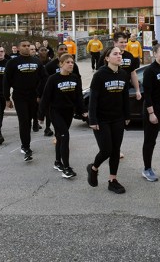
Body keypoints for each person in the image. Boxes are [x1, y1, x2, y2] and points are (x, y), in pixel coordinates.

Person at [86, 46, 130, 194]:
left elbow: (125, 97)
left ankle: (113, 180)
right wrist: (92, 119)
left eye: (120, 54)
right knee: (106, 150)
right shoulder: (100, 75)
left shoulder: (124, 74)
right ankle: (93, 168)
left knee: (116, 151)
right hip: (101, 119)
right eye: (115, 54)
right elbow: (93, 99)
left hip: (117, 118)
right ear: (106, 58)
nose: (119, 56)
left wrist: (127, 115)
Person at [38, 54, 87, 179]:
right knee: (65, 136)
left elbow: (78, 97)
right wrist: (41, 115)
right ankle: (66, 168)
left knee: (60, 137)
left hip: (68, 112)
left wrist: (83, 111)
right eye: (68, 62)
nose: (71, 64)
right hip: (56, 112)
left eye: (72, 62)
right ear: (61, 64)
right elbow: (45, 98)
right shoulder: (53, 79)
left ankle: (57, 162)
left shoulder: (75, 78)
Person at [3, 39, 47, 161]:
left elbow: (44, 78)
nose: (27, 48)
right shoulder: (12, 62)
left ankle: (30, 137)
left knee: (33, 119)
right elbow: (6, 81)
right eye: (24, 46)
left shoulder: (36, 61)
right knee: (24, 121)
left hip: (33, 95)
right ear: (18, 48)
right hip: (19, 95)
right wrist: (6, 98)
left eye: (28, 46)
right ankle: (26, 146)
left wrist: (40, 93)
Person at [141, 43, 160, 182]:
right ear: (155, 54)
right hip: (153, 109)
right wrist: (151, 113)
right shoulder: (150, 71)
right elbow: (147, 94)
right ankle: (147, 169)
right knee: (150, 140)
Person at [44, 43, 81, 137]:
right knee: (53, 116)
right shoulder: (50, 65)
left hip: (68, 100)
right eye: (61, 49)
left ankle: (59, 137)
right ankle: (48, 128)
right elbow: (44, 80)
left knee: (62, 132)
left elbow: (77, 78)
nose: (64, 50)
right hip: (54, 99)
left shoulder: (73, 65)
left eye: (65, 49)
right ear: (57, 51)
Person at [99, 32, 141, 101]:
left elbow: (133, 74)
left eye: (125, 42)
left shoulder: (129, 56)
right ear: (115, 43)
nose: (124, 44)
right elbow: (99, 74)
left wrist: (137, 90)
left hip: (125, 90)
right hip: (109, 91)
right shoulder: (106, 55)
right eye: (121, 42)